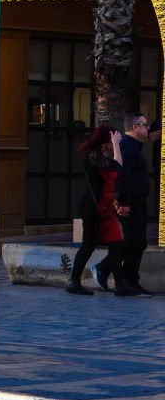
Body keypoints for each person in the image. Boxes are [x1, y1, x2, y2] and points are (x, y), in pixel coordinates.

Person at [66, 126, 147, 297]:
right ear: (104, 142)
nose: (115, 144)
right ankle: (73, 281)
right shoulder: (93, 155)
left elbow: (111, 181)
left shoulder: (101, 155)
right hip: (93, 208)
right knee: (89, 244)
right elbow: (117, 167)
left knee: (116, 244)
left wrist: (117, 201)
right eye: (112, 140)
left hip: (106, 207)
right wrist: (117, 145)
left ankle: (120, 284)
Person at [92, 113, 155, 296]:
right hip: (130, 203)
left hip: (137, 201)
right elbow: (120, 176)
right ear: (135, 127)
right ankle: (108, 270)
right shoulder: (127, 147)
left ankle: (128, 280)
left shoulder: (134, 147)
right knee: (134, 241)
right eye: (144, 125)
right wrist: (122, 202)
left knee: (138, 242)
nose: (147, 128)